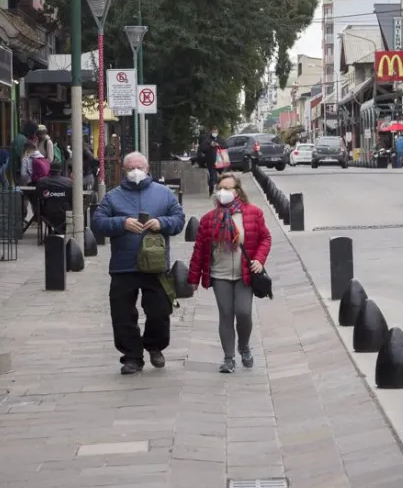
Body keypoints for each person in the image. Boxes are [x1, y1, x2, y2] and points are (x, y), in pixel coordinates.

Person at [92, 152, 186, 375]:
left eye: (139, 167)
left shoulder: (164, 194)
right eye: (130, 167)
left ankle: (155, 346)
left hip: (155, 266)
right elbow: (98, 222)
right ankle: (132, 357)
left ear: (147, 169)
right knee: (122, 314)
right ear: (124, 171)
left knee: (159, 311)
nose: (135, 171)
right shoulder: (113, 197)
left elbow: (179, 219)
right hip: (123, 266)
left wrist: (161, 222)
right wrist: (122, 223)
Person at [187, 173, 271, 373]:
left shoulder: (253, 213)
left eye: (228, 189)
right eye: (220, 189)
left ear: (238, 191)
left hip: (244, 274)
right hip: (220, 274)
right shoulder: (208, 219)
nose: (223, 193)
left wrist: (259, 260)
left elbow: (265, 238)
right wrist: (193, 279)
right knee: (225, 315)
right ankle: (229, 358)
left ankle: (244, 346)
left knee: (243, 313)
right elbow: (199, 250)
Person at [35, 161, 72, 234]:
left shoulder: (42, 182)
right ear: (61, 170)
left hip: (47, 213)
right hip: (65, 213)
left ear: (50, 170)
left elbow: (38, 196)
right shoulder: (69, 182)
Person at [198, 127, 226, 195]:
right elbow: (202, 148)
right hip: (210, 161)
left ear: (218, 132)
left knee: (221, 176)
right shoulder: (207, 140)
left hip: (220, 161)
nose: (214, 133)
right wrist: (210, 146)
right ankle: (211, 191)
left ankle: (221, 189)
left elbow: (225, 146)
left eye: (216, 132)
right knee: (212, 176)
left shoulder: (220, 139)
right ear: (211, 132)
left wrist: (219, 145)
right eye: (213, 132)